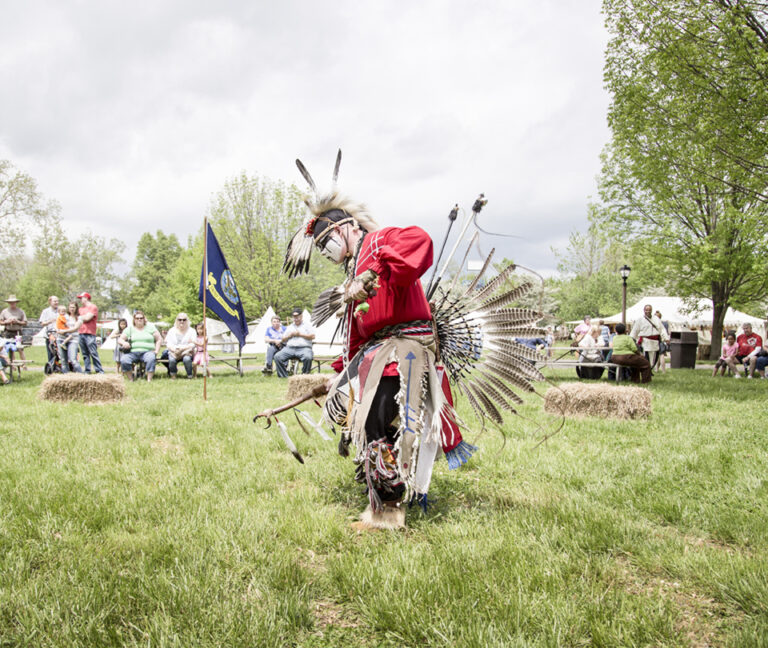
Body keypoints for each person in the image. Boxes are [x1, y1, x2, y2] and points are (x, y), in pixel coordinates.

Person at [118, 310, 161, 381]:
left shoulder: (150, 327)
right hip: (132, 352)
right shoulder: (130, 329)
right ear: (134, 320)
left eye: (141, 318)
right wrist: (124, 343)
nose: (139, 320)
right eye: (137, 318)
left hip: (147, 352)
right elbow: (120, 339)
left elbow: (159, 339)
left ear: (144, 319)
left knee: (151, 358)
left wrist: (156, 350)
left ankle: (149, 379)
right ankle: (131, 379)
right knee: (124, 359)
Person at [274, 309, 315, 377]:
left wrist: (300, 334)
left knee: (308, 357)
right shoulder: (290, 327)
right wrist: (289, 335)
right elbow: (283, 339)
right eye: (294, 317)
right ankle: (283, 376)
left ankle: (304, 375)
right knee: (277, 356)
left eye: (297, 317)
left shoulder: (307, 325)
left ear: (301, 316)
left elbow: (313, 336)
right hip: (290, 348)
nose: (296, 319)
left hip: (304, 348)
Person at [630, 304, 669, 370]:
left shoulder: (656, 319)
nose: (648, 311)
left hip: (655, 342)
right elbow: (634, 330)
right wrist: (631, 339)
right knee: (646, 358)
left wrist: (666, 338)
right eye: (646, 310)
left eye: (649, 310)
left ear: (651, 310)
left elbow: (662, 329)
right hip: (645, 343)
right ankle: (647, 371)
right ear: (644, 311)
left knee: (655, 359)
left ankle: (650, 369)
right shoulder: (640, 320)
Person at [76, 292, 104, 374]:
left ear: (86, 298)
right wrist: (81, 318)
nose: (80, 300)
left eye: (81, 298)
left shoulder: (93, 307)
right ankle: (87, 370)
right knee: (85, 354)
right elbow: (78, 319)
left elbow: (88, 318)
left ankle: (99, 370)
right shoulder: (80, 309)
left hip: (90, 333)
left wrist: (80, 318)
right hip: (81, 332)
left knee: (93, 353)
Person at [165, 313, 197, 379]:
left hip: (187, 352)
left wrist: (182, 349)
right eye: (180, 319)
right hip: (174, 351)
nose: (182, 321)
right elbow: (168, 343)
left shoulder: (192, 331)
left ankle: (189, 375)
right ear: (177, 320)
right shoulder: (172, 330)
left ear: (187, 320)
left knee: (187, 359)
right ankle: (173, 375)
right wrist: (174, 350)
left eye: (184, 320)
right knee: (172, 360)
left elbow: (193, 343)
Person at [0, 294, 28, 366]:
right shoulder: (4, 311)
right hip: (8, 332)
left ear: (16, 302)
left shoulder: (20, 311)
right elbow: (1, 321)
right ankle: (12, 365)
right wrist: (7, 322)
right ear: (9, 303)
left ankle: (24, 364)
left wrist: (17, 322)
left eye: (14, 302)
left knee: (20, 348)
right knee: (9, 348)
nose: (12, 304)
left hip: (17, 332)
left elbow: (25, 322)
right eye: (11, 302)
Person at [55, 302, 83, 373]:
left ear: (76, 308)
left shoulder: (79, 318)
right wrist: (57, 330)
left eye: (73, 307)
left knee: (73, 359)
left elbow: (75, 328)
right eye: (70, 307)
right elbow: (57, 323)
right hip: (61, 338)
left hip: (73, 339)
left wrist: (64, 331)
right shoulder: (64, 316)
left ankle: (82, 376)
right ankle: (66, 376)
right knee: (63, 360)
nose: (72, 309)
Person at [39, 295, 60, 367]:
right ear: (50, 302)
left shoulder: (60, 310)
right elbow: (42, 323)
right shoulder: (46, 311)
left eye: (57, 301)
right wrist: (49, 321)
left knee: (59, 352)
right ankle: (52, 367)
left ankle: (59, 366)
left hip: (59, 334)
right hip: (50, 334)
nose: (56, 302)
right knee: (51, 352)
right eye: (54, 301)